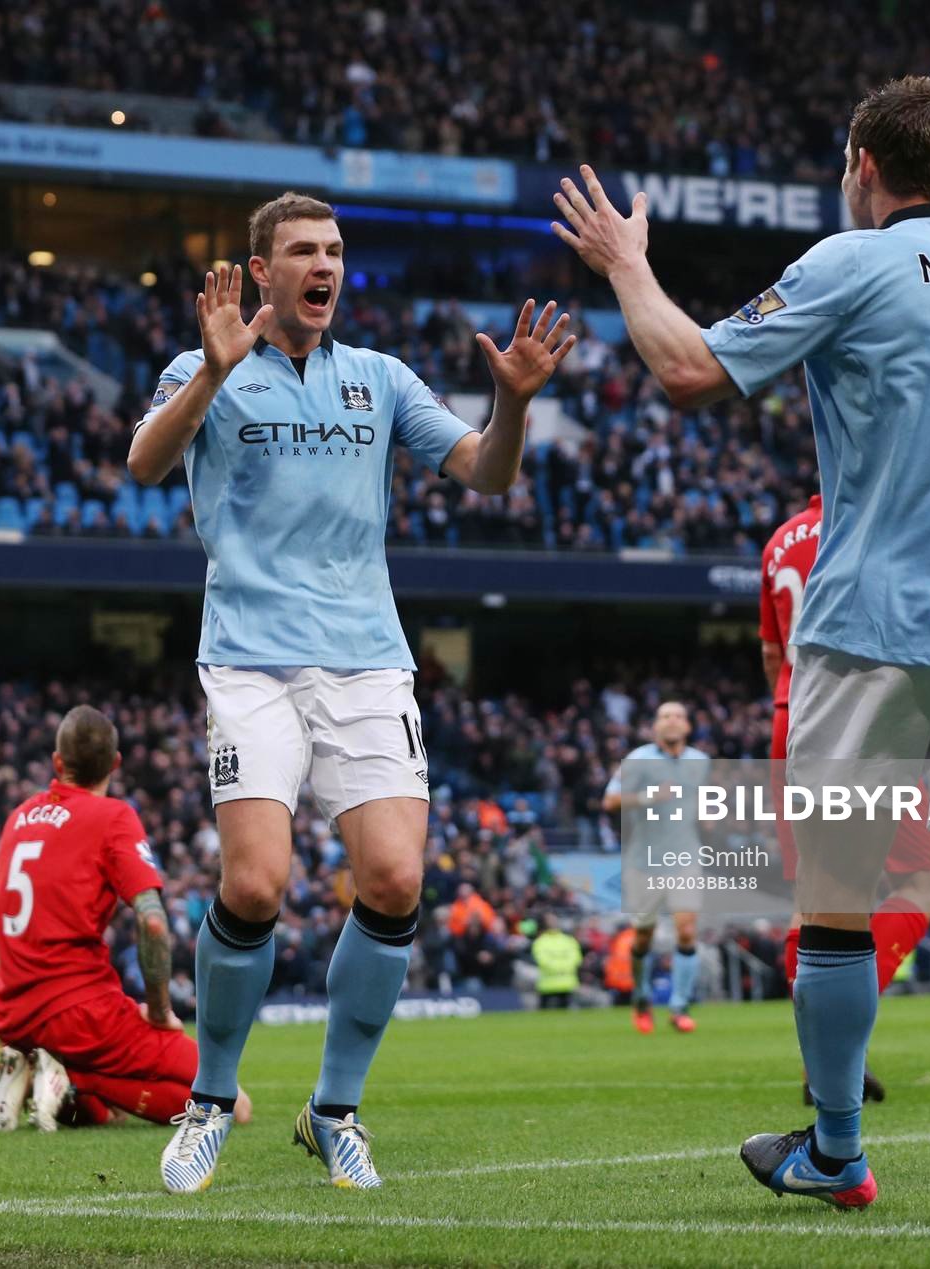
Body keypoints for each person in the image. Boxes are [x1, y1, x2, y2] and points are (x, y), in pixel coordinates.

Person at [553, 75, 930, 1221]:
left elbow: (690, 371)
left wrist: (626, 267)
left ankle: (839, 1151)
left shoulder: (854, 261)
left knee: (834, 906)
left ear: (862, 165)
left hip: (871, 631)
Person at [129, 191, 577, 1192]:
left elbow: (487, 474)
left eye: (333, 250)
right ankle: (210, 1100)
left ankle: (333, 1111)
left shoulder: (380, 377)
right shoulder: (205, 366)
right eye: (302, 251)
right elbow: (146, 460)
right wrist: (214, 370)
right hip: (249, 658)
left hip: (368, 659)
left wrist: (510, 402)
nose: (324, 265)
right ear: (262, 271)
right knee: (254, 886)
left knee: (395, 880)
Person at [763, 493, 930, 1103]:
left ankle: (817, 1059)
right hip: (869, 717)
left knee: (813, 896)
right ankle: (841, 1036)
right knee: (924, 879)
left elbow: (771, 652)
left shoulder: (781, 540)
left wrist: (794, 707)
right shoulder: (878, 522)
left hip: (794, 719)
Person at [0, 706, 239, 1138]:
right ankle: (75, 1074)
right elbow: (153, 922)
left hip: (13, 1015)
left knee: (110, 1115)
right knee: (228, 1097)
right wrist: (160, 1011)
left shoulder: (17, 818)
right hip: (81, 1014)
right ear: (115, 764)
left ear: (57, 762)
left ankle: (45, 1071)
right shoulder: (112, 817)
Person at [601, 701, 708, 1033]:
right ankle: (641, 996)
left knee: (686, 930)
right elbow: (609, 801)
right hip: (644, 861)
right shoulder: (637, 760)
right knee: (643, 936)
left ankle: (679, 1006)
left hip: (685, 858)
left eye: (678, 716)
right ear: (655, 726)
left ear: (688, 726)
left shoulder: (701, 762)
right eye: (665, 716)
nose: (672, 721)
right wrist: (648, 797)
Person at [531, 914, 583, 1009]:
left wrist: (558, 966)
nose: (553, 923)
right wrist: (563, 967)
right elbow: (543, 961)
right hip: (548, 986)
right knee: (546, 1015)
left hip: (566, 985)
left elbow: (576, 958)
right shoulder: (540, 941)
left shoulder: (568, 940)